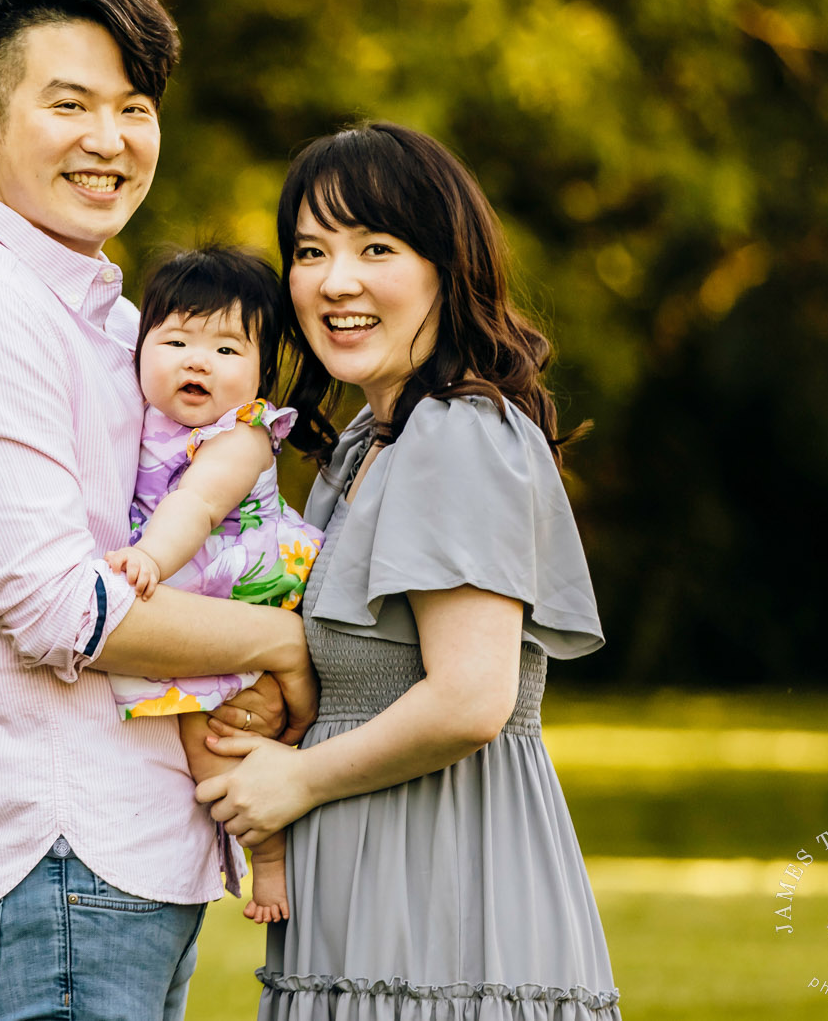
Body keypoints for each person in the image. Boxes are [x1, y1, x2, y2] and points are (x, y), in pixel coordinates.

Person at [0, 0, 315, 1021]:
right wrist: (287, 644)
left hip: (127, 857)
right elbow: (64, 612)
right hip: (60, 860)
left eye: (133, 107)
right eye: (67, 104)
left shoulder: (116, 323)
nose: (107, 139)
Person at [198, 121, 622, 1019]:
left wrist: (298, 780)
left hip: (443, 894)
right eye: (309, 251)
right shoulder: (364, 445)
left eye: (375, 246)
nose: (335, 280)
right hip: (364, 897)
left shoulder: (456, 431)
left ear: (446, 265)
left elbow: (473, 697)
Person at [101, 247, 325, 924]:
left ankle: (274, 864)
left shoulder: (242, 435)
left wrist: (151, 561)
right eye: (176, 341)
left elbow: (195, 506)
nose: (198, 361)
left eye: (228, 348)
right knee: (208, 749)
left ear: (262, 373)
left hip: (241, 595)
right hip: (194, 609)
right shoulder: (139, 420)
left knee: (229, 752)